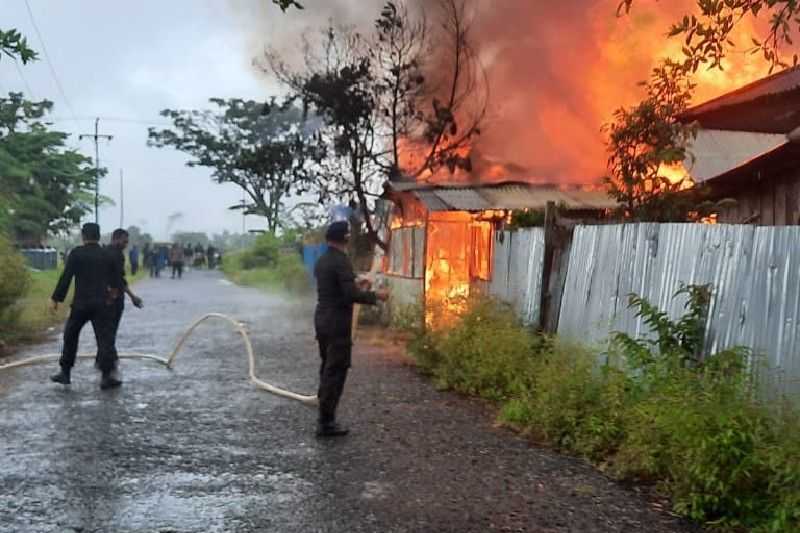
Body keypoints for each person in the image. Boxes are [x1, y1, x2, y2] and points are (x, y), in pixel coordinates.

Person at [313, 221, 389, 437]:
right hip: (337, 323)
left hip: (322, 320)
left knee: (327, 367)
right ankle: (326, 422)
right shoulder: (341, 261)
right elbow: (349, 295)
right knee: (335, 371)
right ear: (346, 239)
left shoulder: (322, 261)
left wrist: (356, 281)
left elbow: (339, 285)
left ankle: (324, 412)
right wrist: (376, 296)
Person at [49, 223, 123, 389]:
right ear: (98, 236)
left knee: (70, 336)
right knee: (105, 340)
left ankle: (65, 372)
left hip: (81, 304)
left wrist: (56, 299)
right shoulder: (106, 254)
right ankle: (106, 376)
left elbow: (66, 277)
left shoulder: (77, 254)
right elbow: (117, 278)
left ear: (83, 236)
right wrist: (114, 294)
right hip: (102, 303)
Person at [107, 229, 144, 343]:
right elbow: (119, 281)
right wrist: (132, 297)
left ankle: (106, 356)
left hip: (105, 297)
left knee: (105, 331)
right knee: (111, 330)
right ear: (115, 239)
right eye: (124, 242)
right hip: (114, 298)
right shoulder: (117, 255)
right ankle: (109, 357)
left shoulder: (104, 252)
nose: (125, 245)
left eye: (126, 242)